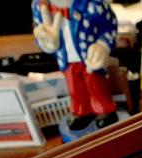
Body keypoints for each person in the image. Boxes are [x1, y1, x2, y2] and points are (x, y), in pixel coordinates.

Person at [32, 0, 118, 128]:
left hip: (89, 56)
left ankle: (104, 110)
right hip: (66, 58)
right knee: (74, 87)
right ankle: (82, 111)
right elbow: (40, 31)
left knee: (96, 84)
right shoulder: (40, 7)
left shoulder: (93, 4)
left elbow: (109, 25)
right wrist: (46, 43)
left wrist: (103, 45)